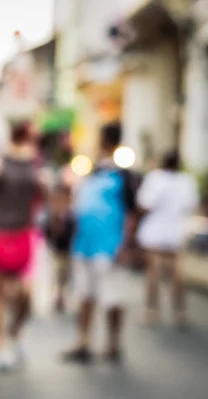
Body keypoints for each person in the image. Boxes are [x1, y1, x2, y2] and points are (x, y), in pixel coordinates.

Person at [63, 122, 138, 364]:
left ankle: (113, 343)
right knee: (85, 294)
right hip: (85, 243)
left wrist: (126, 244)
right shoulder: (92, 169)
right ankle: (83, 341)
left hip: (110, 245)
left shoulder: (125, 174)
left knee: (113, 297)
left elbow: (132, 212)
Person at [0, 122, 43, 372]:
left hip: (25, 232)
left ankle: (15, 331)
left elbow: (41, 197)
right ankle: (0, 347)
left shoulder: (34, 161)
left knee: (26, 294)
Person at [136, 150, 199, 327]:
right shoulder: (186, 181)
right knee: (176, 273)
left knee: (153, 272)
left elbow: (145, 203)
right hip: (175, 231)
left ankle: (152, 310)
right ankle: (180, 312)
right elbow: (191, 205)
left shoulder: (155, 178)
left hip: (156, 231)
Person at [44, 184, 76, 313]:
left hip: (67, 250)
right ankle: (57, 297)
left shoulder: (71, 216)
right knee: (56, 274)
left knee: (65, 275)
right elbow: (47, 232)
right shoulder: (50, 216)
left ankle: (62, 296)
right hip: (56, 250)